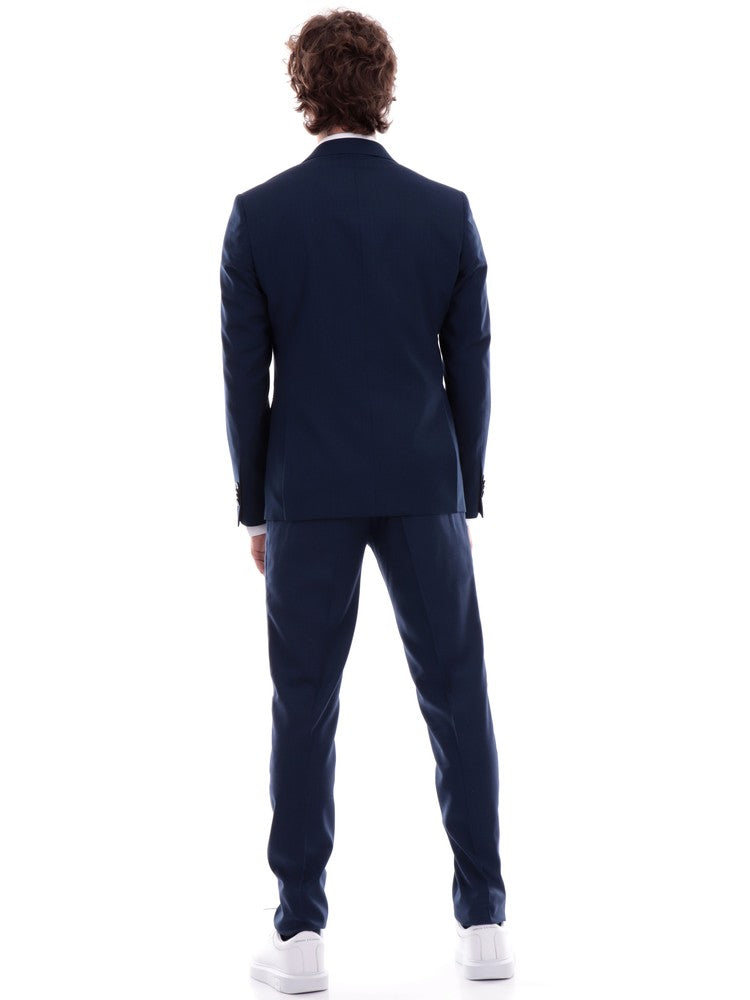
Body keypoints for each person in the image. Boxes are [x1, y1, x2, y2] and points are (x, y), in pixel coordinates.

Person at [220, 9, 514, 991]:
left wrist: (255, 507)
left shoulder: (260, 216)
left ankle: (300, 935)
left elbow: (244, 378)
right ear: (383, 90)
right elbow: (471, 364)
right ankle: (485, 922)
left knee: (303, 704)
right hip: (423, 482)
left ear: (304, 91)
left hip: (307, 488)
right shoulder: (445, 212)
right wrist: (462, 484)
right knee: (458, 694)